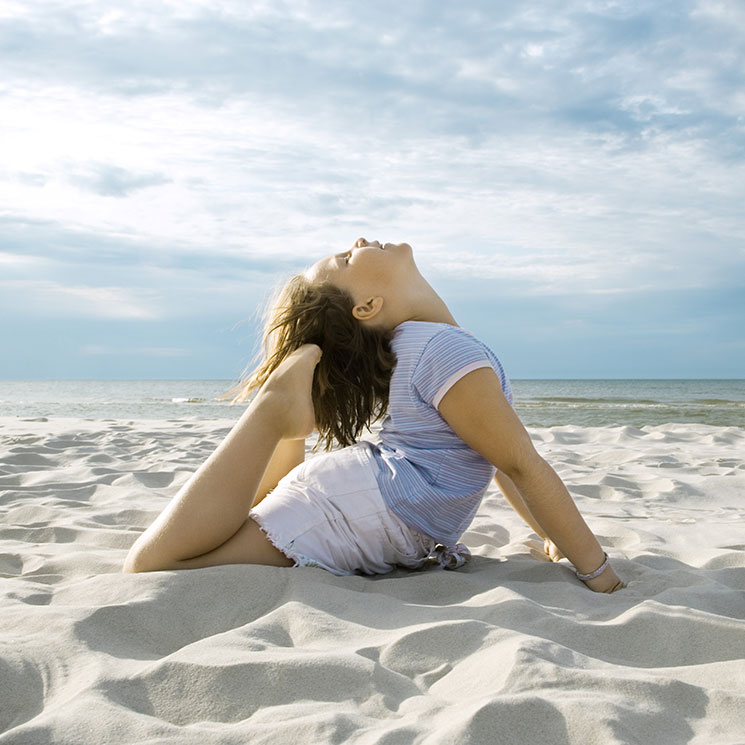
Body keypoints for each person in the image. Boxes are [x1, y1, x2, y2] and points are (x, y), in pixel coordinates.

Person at [123, 238, 625, 593]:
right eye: (346, 256)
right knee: (153, 566)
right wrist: (597, 573)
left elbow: (498, 460)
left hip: (369, 501)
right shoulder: (442, 348)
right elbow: (522, 465)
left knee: (209, 537)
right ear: (367, 305)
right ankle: (274, 410)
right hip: (365, 508)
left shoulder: (426, 347)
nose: (360, 239)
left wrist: (551, 535)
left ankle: (284, 423)